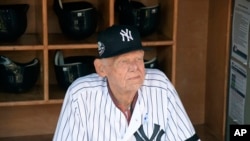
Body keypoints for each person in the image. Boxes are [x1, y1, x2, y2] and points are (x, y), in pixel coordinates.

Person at [53, 25, 200, 141]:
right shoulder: (80, 95)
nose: (135, 67)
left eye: (139, 58)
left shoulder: (161, 86)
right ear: (101, 69)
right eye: (124, 61)